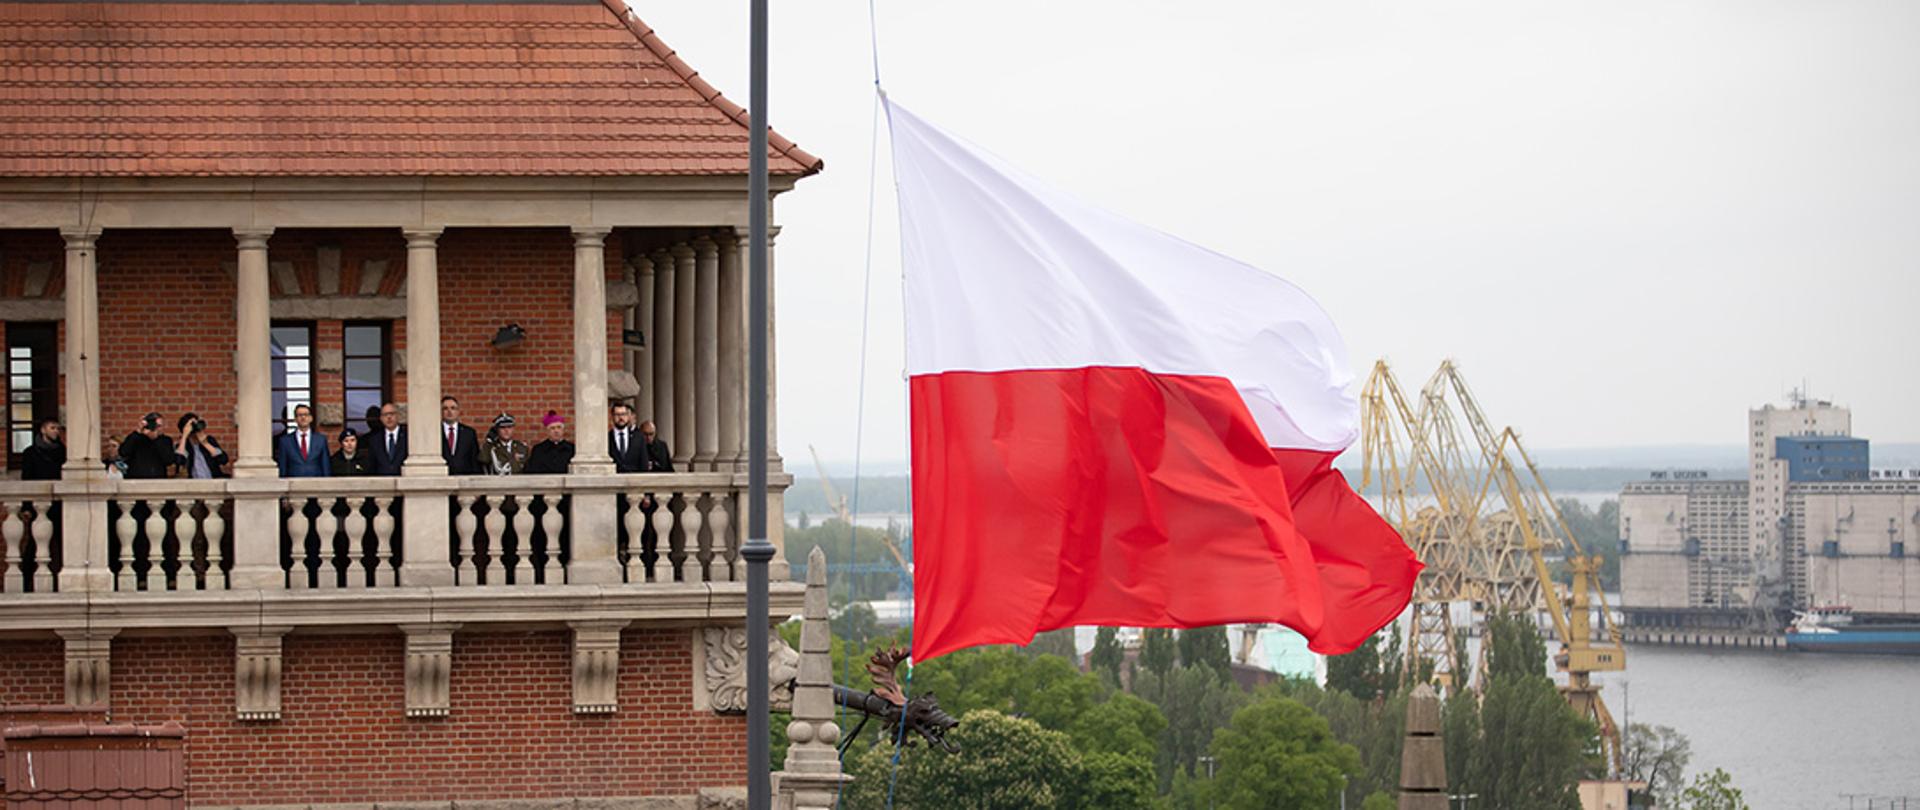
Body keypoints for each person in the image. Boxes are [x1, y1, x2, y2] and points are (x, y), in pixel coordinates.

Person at [275, 404, 331, 478]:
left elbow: (325, 466)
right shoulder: (285, 441)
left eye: (306, 415)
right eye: (300, 415)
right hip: (293, 484)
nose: (303, 417)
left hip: (316, 484)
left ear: (311, 418)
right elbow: (283, 467)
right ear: (295, 419)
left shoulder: (321, 440)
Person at [120, 412, 176, 479]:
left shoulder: (166, 440)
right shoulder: (136, 438)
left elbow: (169, 460)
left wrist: (155, 439)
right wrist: (138, 431)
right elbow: (123, 452)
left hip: (157, 481)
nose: (157, 428)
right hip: (136, 481)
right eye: (155, 425)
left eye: (159, 426)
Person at [174, 412, 230, 479]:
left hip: (212, 481)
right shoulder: (184, 445)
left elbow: (223, 460)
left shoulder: (209, 440)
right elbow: (179, 461)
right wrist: (184, 436)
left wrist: (205, 443)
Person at [440, 396, 480, 475]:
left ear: (458, 411)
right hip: (442, 477)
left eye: (453, 408)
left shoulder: (469, 433)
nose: (449, 411)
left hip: (464, 478)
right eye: (445, 408)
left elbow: (474, 460)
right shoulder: (435, 433)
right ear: (441, 412)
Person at [608, 402, 653, 472]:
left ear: (628, 416)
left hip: (634, 480)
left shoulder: (639, 438)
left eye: (623, 414)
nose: (621, 417)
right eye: (617, 414)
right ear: (612, 416)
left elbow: (644, 465)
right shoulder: (607, 439)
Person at [368, 401, 407, 476]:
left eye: (392, 414)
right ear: (381, 418)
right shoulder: (375, 440)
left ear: (397, 416)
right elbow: (372, 466)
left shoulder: (407, 436)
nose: (389, 417)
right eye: (385, 415)